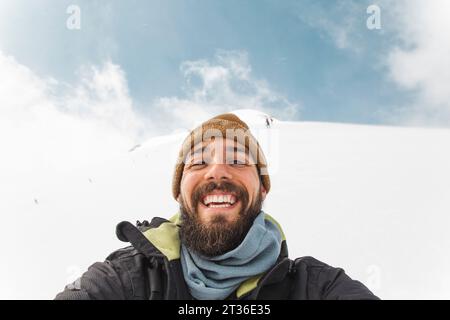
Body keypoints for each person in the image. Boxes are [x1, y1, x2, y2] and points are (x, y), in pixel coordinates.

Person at [55, 113, 378, 300]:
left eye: (237, 161)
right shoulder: (128, 277)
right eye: (198, 164)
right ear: (180, 194)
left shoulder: (315, 286)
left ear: (262, 189)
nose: (218, 171)